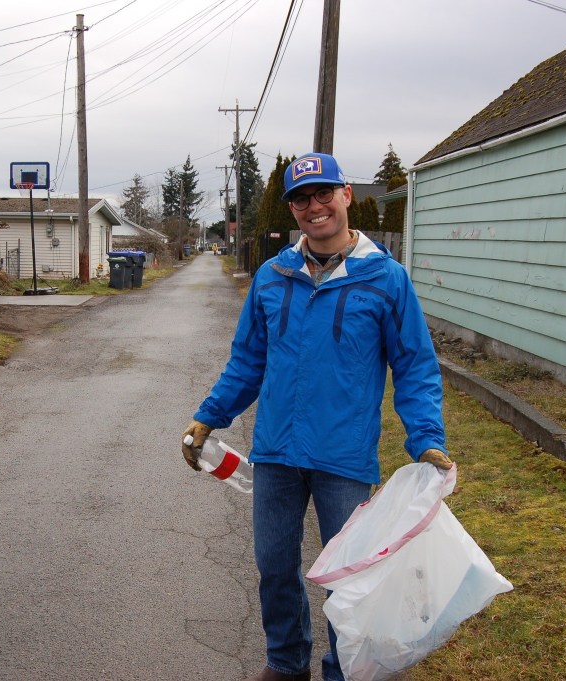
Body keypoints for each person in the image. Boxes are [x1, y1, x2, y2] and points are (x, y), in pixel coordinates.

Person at [181, 152, 453, 681]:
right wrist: (207, 418)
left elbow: (415, 367)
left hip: (343, 457)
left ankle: (341, 669)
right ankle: (285, 663)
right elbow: (247, 362)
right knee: (275, 568)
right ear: (292, 210)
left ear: (347, 195)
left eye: (324, 193)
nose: (314, 206)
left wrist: (426, 439)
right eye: (301, 199)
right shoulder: (272, 275)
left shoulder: (386, 279)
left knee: (348, 578)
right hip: (277, 452)